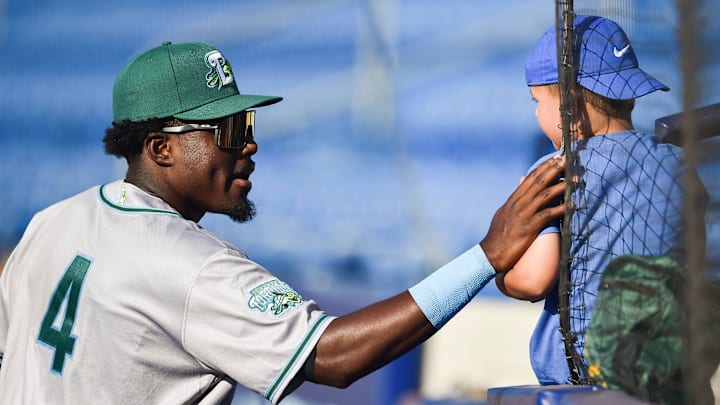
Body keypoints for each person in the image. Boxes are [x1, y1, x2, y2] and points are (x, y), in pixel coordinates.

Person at [0, 41, 566, 404]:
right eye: (224, 129)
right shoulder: (186, 264)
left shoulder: (50, 222)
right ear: (160, 148)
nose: (249, 143)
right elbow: (333, 357)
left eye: (245, 121)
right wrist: (486, 257)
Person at [495, 15, 707, 385]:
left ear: (569, 107)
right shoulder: (678, 163)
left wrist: (501, 274)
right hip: (665, 374)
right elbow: (695, 253)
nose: (535, 114)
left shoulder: (553, 171)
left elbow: (533, 280)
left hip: (581, 381)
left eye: (537, 101)